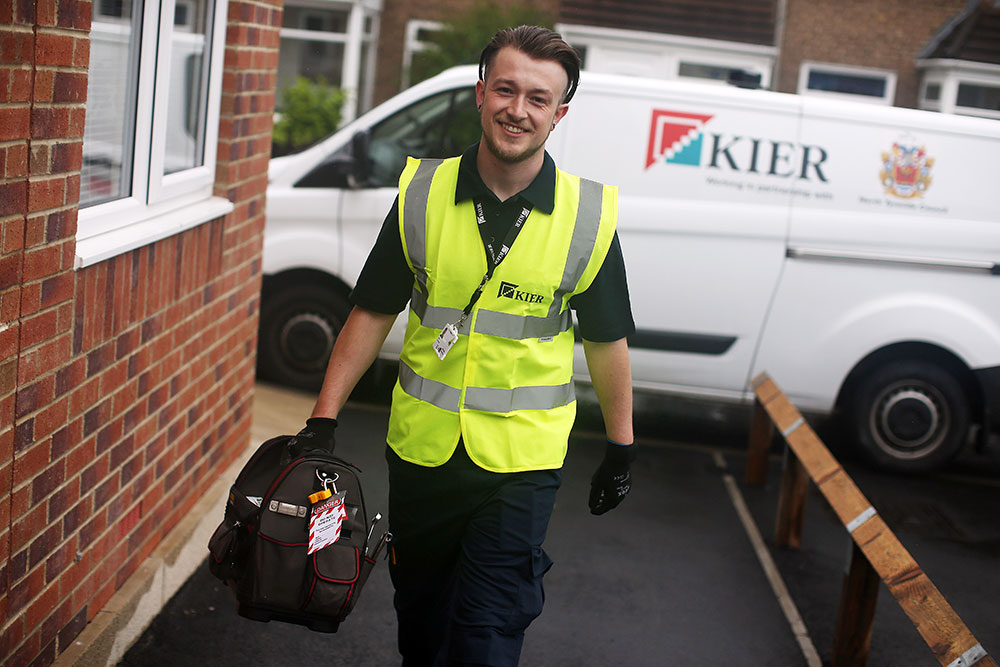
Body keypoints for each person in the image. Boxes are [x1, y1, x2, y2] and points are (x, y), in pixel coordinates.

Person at [290, 25, 635, 666]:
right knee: (421, 623)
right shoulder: (421, 195)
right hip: (422, 454)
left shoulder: (588, 218)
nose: (518, 110)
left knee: (486, 635)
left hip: (521, 465)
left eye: (538, 99)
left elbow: (606, 341)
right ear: (481, 94)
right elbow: (371, 312)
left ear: (560, 115)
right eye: (505, 89)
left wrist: (621, 446)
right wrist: (323, 416)